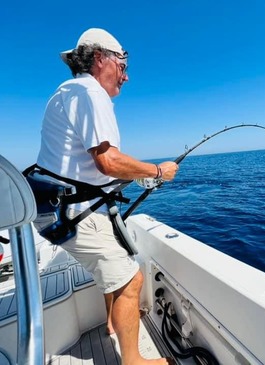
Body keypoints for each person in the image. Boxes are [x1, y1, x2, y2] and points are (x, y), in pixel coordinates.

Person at [36, 28, 178, 365]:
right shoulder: (91, 93)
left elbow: (86, 168)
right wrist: (157, 171)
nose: (126, 76)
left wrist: (126, 178)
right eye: (123, 64)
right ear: (101, 59)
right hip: (75, 215)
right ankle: (133, 361)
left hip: (57, 210)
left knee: (114, 263)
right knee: (132, 280)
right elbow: (108, 160)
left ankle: (115, 327)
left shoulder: (65, 93)